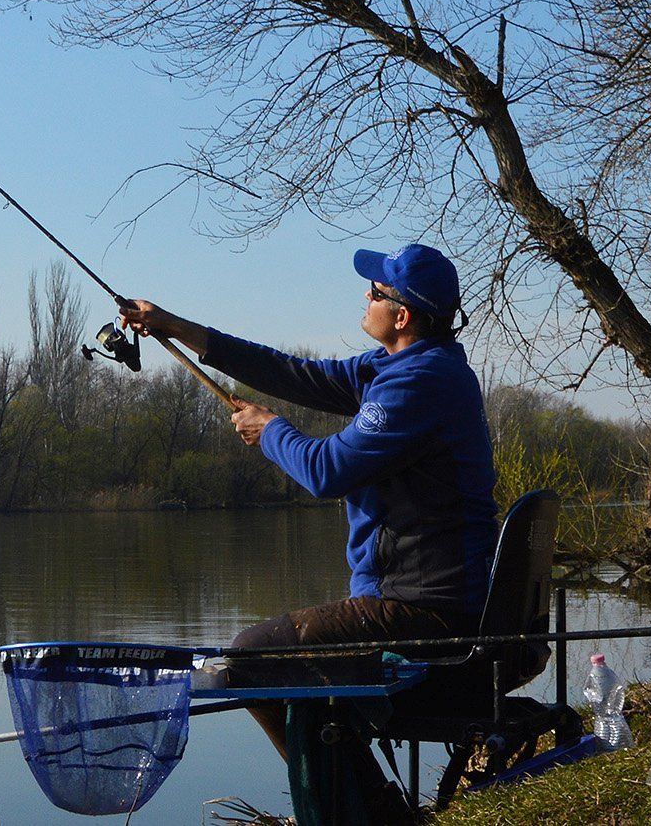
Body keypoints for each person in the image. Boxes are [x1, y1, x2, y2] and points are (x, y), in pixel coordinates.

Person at [118, 243, 497, 804]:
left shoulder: (420, 383)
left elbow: (328, 471)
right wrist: (176, 326)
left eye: (376, 290)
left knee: (249, 660)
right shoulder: (399, 368)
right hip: (419, 598)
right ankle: (361, 802)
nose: (365, 295)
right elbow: (291, 373)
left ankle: (364, 811)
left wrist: (270, 431)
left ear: (402, 316)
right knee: (282, 667)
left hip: (425, 611)